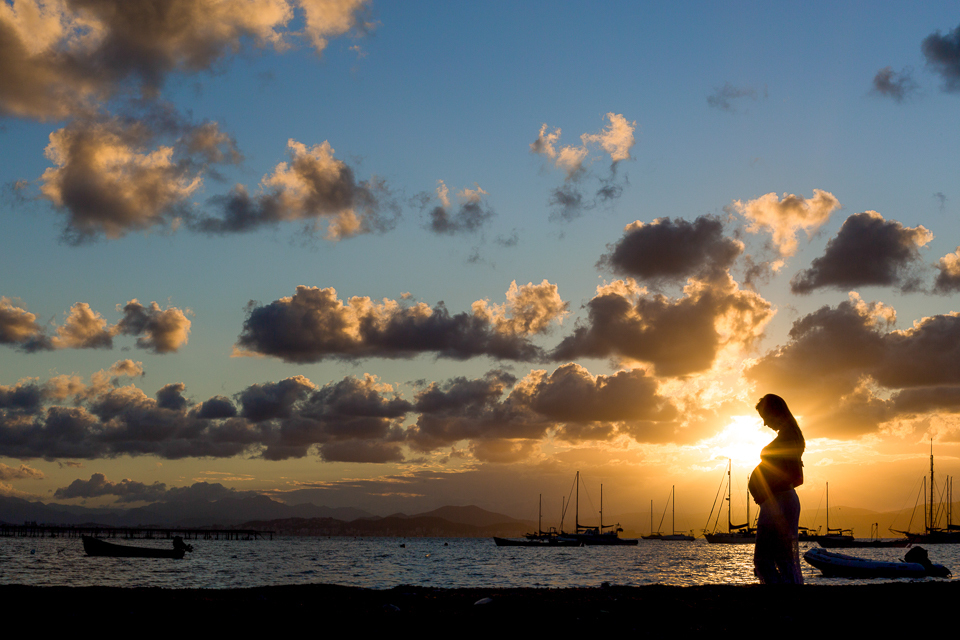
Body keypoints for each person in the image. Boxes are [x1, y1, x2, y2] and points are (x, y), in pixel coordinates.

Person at [748, 394, 804, 584]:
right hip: (779, 500)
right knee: (782, 557)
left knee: (766, 558)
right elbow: (796, 476)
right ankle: (786, 596)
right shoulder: (790, 435)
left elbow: (793, 476)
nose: (764, 423)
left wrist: (766, 492)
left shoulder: (789, 437)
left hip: (779, 501)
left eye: (764, 417)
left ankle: (781, 597)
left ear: (774, 412)